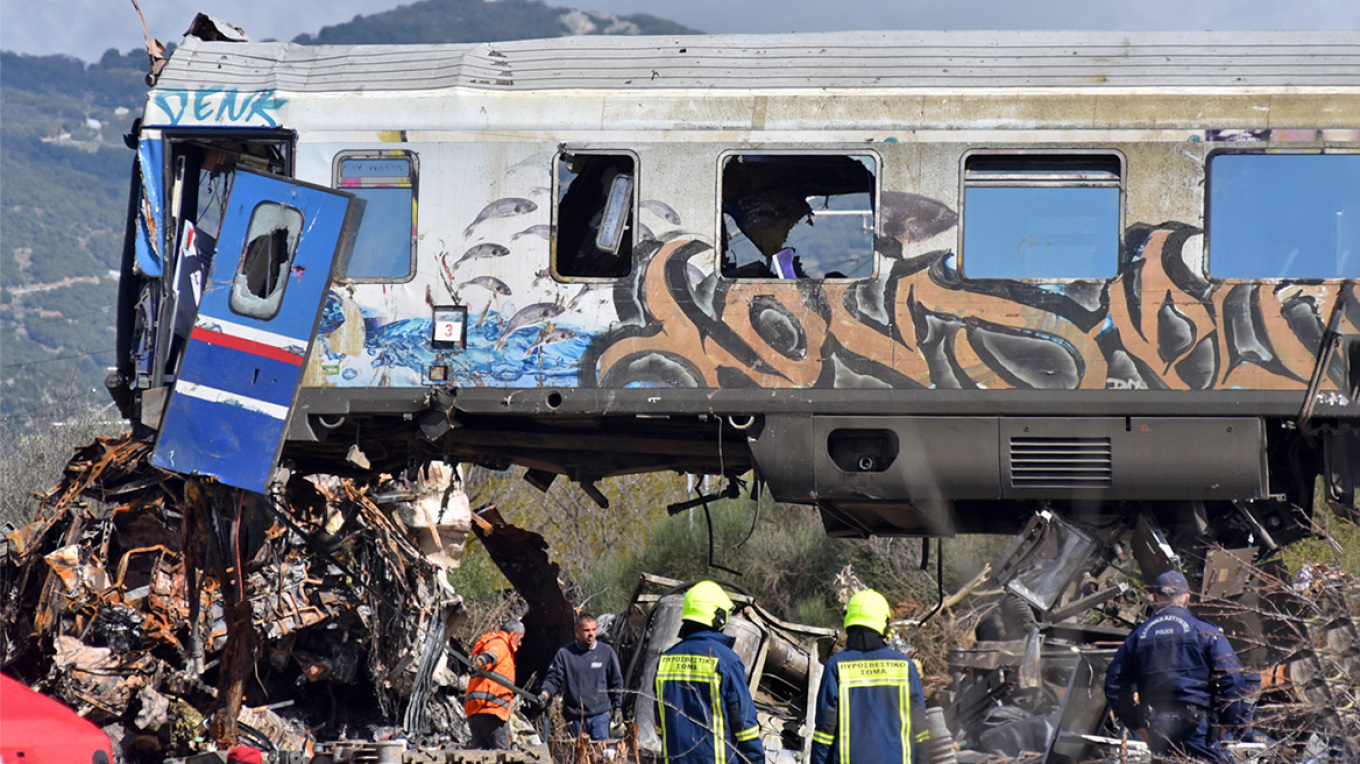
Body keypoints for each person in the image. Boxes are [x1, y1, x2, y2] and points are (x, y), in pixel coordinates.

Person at [1103, 570, 1249, 763]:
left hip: (1158, 728)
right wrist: (1228, 722)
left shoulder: (1138, 637)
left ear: (1155, 598)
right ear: (1186, 598)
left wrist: (1137, 724)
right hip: (1198, 728)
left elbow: (1113, 685)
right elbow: (1234, 678)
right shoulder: (1206, 631)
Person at [810, 589, 930, 764]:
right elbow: (920, 731)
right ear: (884, 623)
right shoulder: (905, 667)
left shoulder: (836, 666)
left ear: (849, 621)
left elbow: (824, 731)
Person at [654, 581, 765, 764]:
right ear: (718, 617)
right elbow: (745, 726)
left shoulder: (665, 660)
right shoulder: (726, 660)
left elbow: (660, 724)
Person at [539, 612, 624, 740]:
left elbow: (616, 682)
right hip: (575, 717)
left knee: (600, 756)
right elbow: (553, 679)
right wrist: (544, 694)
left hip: (600, 716)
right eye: (586, 630)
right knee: (579, 757)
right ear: (577, 631)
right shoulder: (565, 654)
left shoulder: (606, 652)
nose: (591, 634)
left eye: (594, 630)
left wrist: (617, 707)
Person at [464, 618, 526, 750]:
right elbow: (490, 656)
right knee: (503, 755)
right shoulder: (500, 643)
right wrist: (480, 662)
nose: (520, 644)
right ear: (513, 635)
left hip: (476, 711)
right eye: (520, 639)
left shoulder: (492, 643)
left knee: (479, 756)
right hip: (491, 711)